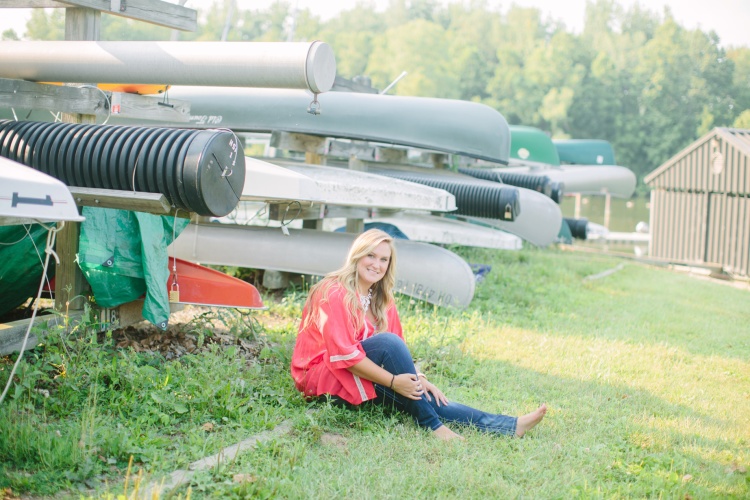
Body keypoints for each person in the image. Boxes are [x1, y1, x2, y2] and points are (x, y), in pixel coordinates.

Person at [290, 229, 547, 440]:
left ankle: (510, 426)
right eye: (371, 255)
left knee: (421, 394)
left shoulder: (382, 299)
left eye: (384, 260)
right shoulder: (332, 292)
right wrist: (394, 382)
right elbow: (345, 355)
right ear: (357, 256)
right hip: (323, 378)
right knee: (393, 353)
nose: (376, 264)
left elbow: (396, 351)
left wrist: (417, 378)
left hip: (357, 373)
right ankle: (433, 426)